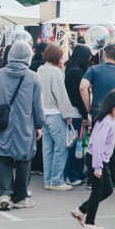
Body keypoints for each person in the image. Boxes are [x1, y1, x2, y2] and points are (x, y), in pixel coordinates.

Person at [0, 39, 44, 210]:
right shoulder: (33, 77)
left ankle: (3, 193)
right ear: (28, 57)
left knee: (3, 157)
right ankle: (19, 197)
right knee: (23, 159)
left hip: (2, 124)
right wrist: (38, 124)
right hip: (24, 125)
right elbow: (37, 106)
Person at [70, 89, 115, 229]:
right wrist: (97, 167)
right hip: (96, 159)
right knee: (97, 192)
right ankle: (89, 224)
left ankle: (81, 210)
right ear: (114, 105)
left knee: (107, 190)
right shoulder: (106, 121)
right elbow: (98, 146)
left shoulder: (113, 120)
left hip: (102, 160)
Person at [80, 44, 115, 190]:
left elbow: (83, 86)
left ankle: (98, 179)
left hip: (99, 113)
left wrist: (88, 107)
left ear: (104, 54)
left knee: (99, 147)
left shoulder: (94, 70)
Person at [37, 44, 76, 190]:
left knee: (47, 148)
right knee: (61, 148)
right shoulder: (55, 71)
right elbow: (61, 94)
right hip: (55, 113)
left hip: (43, 114)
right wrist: (68, 114)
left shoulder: (40, 69)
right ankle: (56, 181)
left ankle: (48, 180)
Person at [63, 44, 93, 186]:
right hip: (77, 114)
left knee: (77, 145)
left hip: (72, 113)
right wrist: (85, 115)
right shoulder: (77, 73)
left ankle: (77, 173)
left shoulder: (70, 70)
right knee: (77, 146)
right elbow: (78, 97)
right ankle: (73, 175)